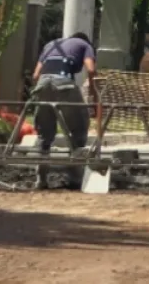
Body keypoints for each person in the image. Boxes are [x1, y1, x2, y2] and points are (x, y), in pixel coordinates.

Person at [30, 32, 98, 190]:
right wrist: (94, 95)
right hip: (64, 83)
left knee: (44, 135)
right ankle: (75, 178)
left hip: (42, 84)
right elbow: (91, 70)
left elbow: (35, 75)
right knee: (79, 127)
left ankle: (41, 180)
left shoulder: (50, 44)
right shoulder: (85, 45)